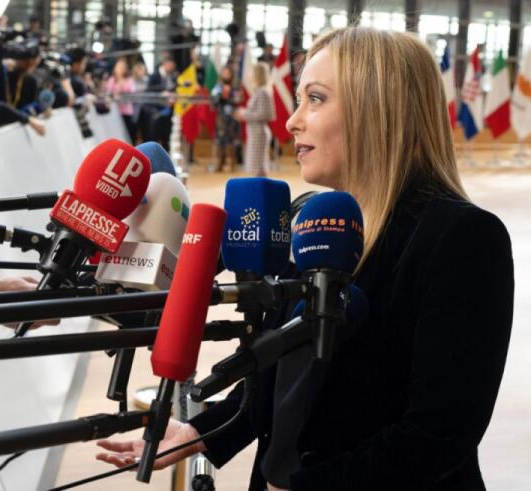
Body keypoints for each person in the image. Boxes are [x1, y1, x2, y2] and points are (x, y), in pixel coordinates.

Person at [95, 27, 514, 491]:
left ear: (376, 107)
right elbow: (279, 381)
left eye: (315, 99)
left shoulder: (464, 237)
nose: (292, 121)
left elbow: (439, 434)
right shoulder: (318, 221)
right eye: (299, 100)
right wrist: (199, 432)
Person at [234, 62, 274, 177]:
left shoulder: (262, 92)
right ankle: (261, 187)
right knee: (258, 166)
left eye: (252, 73)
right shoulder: (259, 91)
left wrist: (244, 114)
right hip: (255, 132)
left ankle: (261, 187)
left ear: (257, 74)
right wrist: (245, 112)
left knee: (258, 167)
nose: (249, 75)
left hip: (259, 132)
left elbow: (266, 114)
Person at [211, 65, 241, 172]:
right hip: (221, 116)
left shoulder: (235, 86)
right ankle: (219, 162)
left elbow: (238, 100)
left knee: (232, 140)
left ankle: (233, 163)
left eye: (228, 73)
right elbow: (213, 101)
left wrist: (230, 96)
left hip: (233, 117)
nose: (226, 75)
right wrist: (221, 95)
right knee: (220, 139)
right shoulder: (218, 87)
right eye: (224, 73)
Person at [105, 58, 136, 143]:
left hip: (126, 111)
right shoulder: (112, 80)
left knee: (127, 133)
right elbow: (108, 92)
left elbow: (132, 92)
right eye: (118, 67)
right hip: (115, 111)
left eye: (122, 67)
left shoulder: (129, 80)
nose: (120, 69)